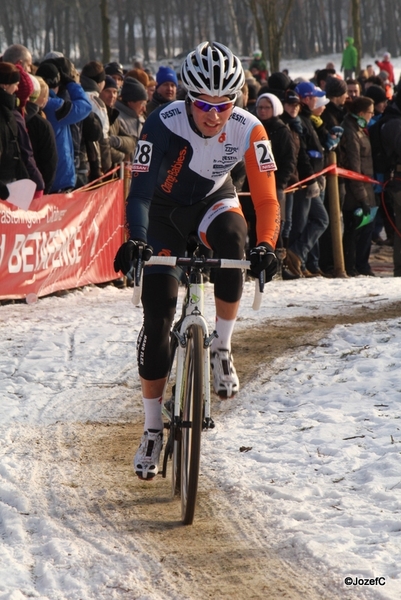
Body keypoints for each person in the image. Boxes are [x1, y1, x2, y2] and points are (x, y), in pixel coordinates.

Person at [113, 41, 280, 480]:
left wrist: (266, 245)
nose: (214, 114)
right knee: (158, 313)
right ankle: (151, 427)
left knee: (235, 240)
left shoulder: (249, 128)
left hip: (212, 202)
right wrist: (140, 241)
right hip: (163, 216)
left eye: (224, 104)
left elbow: (265, 198)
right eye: (204, 103)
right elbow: (141, 195)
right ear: (188, 97)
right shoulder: (161, 125)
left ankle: (221, 345)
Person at [285, 81, 329, 277]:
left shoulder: (307, 119)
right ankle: (295, 258)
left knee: (314, 220)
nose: (315, 101)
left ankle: (299, 261)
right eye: (312, 97)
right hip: (301, 181)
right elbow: (302, 154)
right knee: (310, 221)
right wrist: (310, 177)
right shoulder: (299, 121)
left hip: (309, 178)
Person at [35, 60, 92, 192]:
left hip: (43, 177)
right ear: (58, 83)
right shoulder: (54, 106)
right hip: (59, 180)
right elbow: (85, 106)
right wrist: (72, 84)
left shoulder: (34, 104)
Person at [340, 96, 376, 276]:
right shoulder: (351, 131)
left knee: (367, 229)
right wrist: (362, 198)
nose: (373, 115)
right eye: (371, 112)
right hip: (356, 192)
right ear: (361, 113)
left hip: (367, 188)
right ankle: (354, 266)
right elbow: (354, 167)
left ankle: (363, 265)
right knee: (355, 230)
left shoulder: (360, 129)